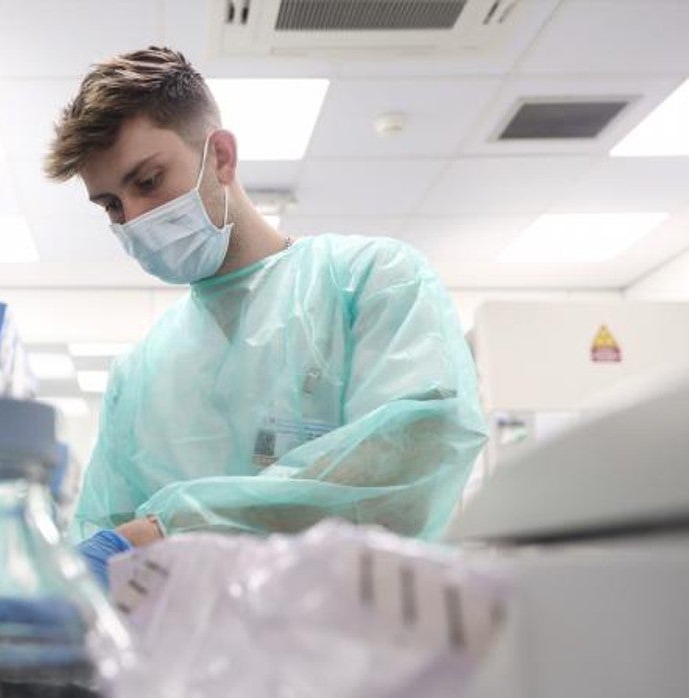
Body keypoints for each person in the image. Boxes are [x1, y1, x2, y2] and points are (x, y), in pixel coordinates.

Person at [54, 48, 489, 583]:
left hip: (358, 653)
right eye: (111, 206)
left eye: (147, 181)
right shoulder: (138, 374)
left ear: (221, 158)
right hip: (188, 663)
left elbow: (408, 468)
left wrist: (176, 529)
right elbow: (109, 542)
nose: (134, 219)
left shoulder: (372, 281)